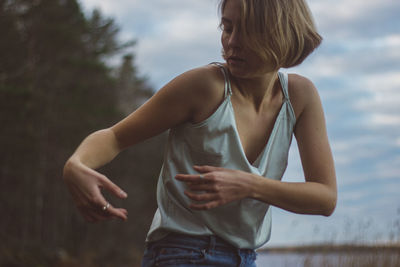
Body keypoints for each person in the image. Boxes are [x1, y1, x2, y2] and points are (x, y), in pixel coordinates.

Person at [63, 0, 337, 266]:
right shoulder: (205, 86)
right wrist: (76, 164)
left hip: (246, 256)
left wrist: (250, 185)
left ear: (280, 34)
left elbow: (325, 198)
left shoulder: (301, 97)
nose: (232, 42)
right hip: (183, 253)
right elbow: (115, 137)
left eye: (248, 31)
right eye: (227, 28)